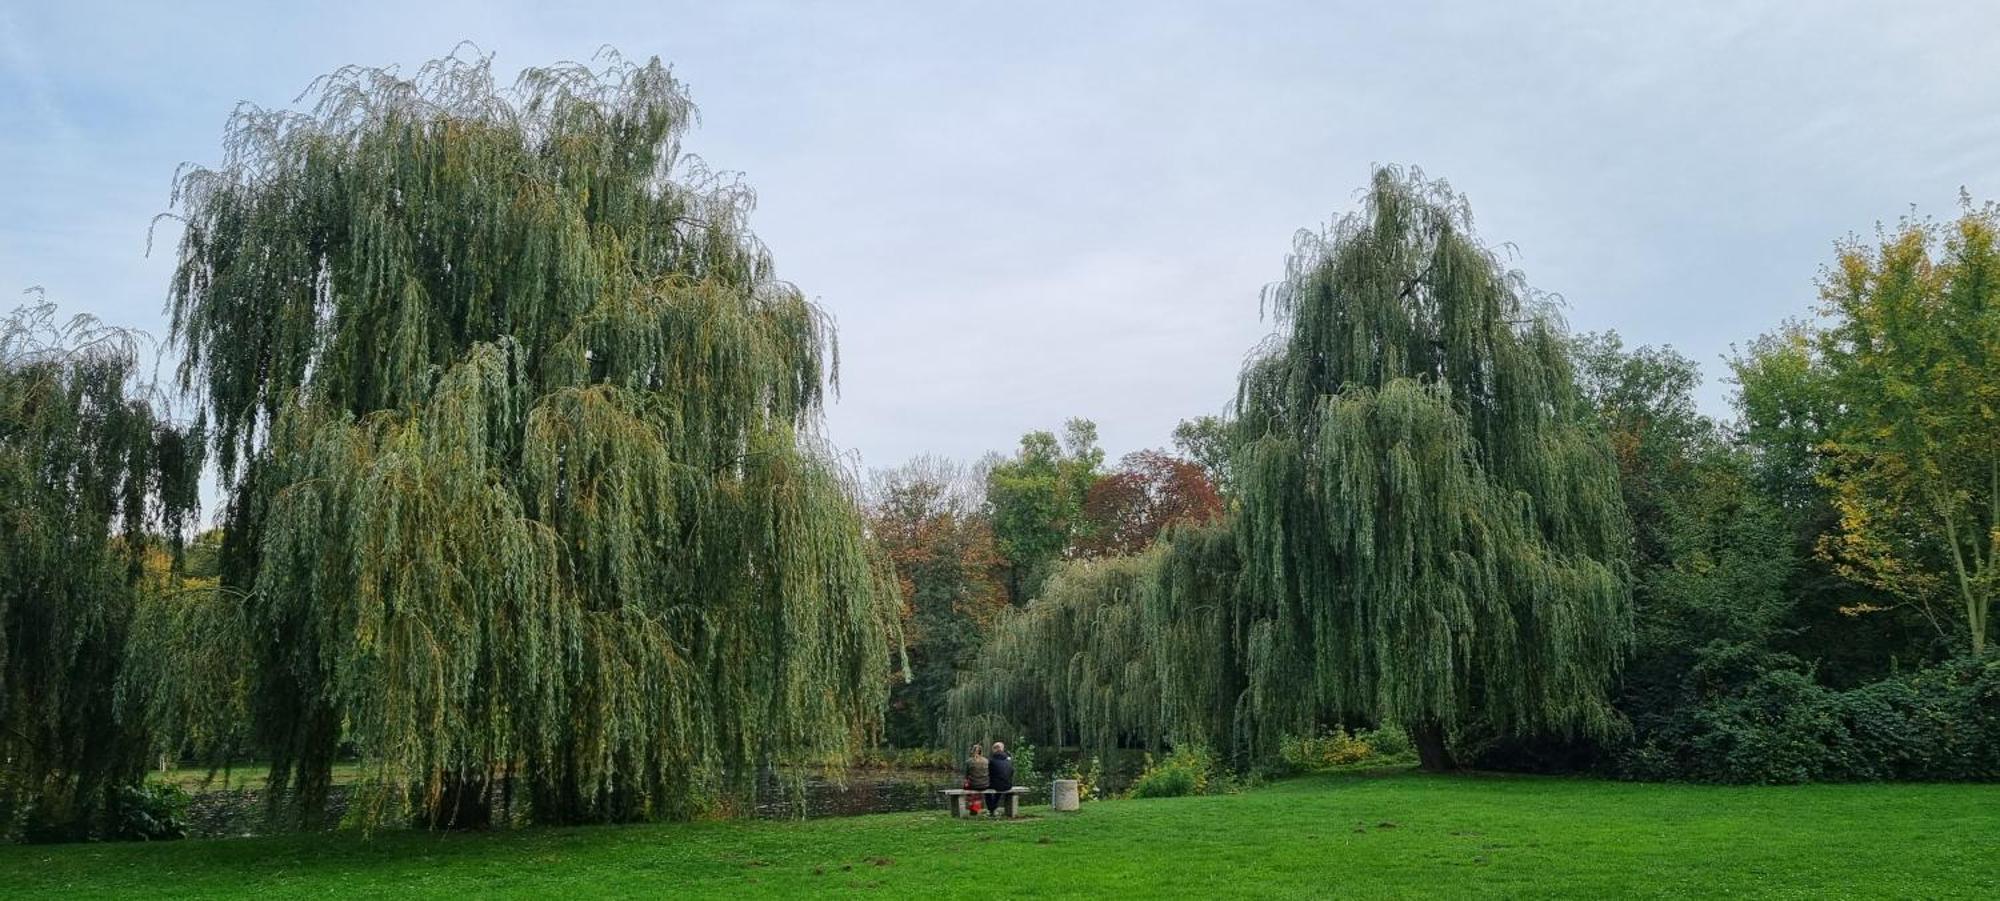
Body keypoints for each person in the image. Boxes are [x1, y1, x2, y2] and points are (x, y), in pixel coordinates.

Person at [987, 740, 1014, 817]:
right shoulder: (1008, 760)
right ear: (1002, 749)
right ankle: (993, 808)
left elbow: (988, 773)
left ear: (994, 749)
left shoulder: (991, 760)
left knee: (986, 790)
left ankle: (991, 809)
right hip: (1008, 785)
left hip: (997, 784)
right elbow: (1012, 771)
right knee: (1000, 786)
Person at [964, 742, 989, 815]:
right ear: (981, 752)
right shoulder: (986, 761)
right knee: (977, 789)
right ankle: (977, 807)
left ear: (972, 751)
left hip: (974, 785)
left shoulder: (969, 761)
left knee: (967, 787)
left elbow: (966, 775)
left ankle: (973, 808)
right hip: (985, 785)